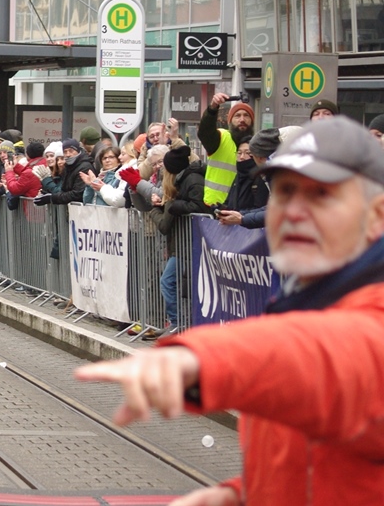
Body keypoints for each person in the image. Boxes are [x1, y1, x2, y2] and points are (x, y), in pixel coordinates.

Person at [76, 116, 384, 505]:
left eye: (321, 196)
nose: (294, 211)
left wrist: (202, 363)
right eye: (286, 192)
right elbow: (319, 463)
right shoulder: (302, 304)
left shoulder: (358, 321)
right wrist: (241, 495)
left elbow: (334, 360)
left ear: (377, 215)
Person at [148, 145, 209, 335]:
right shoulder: (184, 180)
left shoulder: (192, 179)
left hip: (189, 244)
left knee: (169, 282)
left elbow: (199, 206)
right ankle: (178, 323)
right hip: (182, 245)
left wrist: (168, 207)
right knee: (175, 284)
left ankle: (178, 324)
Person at [198, 93, 255, 206]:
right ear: (230, 121)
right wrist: (213, 108)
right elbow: (205, 131)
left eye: (246, 115)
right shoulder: (221, 138)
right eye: (237, 116)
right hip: (215, 208)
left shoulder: (256, 145)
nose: (242, 119)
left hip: (243, 210)